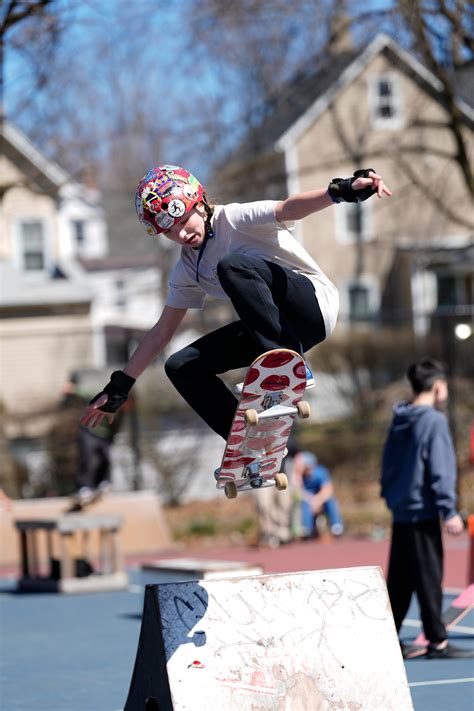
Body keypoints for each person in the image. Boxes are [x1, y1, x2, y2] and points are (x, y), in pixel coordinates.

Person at [80, 165, 391, 449]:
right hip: (279, 329)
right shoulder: (187, 269)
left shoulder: (235, 219)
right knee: (181, 366)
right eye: (171, 231)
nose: (182, 234)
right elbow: (162, 331)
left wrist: (341, 191)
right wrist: (120, 386)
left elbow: (289, 207)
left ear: (199, 204)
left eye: (184, 221)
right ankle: (247, 442)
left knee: (233, 266)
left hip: (313, 305)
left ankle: (282, 360)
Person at [381, 358, 473, 660]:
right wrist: (448, 510)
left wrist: (390, 495)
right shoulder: (433, 420)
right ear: (437, 386)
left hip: (402, 510)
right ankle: (438, 641)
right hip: (423, 512)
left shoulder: (400, 417)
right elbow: (440, 467)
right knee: (429, 577)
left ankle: (388, 638)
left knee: (400, 580)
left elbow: (388, 463)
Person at [65, 373, 123, 506]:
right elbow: (88, 393)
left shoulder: (124, 412)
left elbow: (116, 428)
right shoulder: (110, 398)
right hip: (89, 430)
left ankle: (103, 483)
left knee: (106, 457)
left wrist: (111, 439)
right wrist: (74, 389)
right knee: (87, 456)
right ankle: (83, 488)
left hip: (104, 435)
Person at [292, 451, 344, 538]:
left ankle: (336, 526)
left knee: (330, 500)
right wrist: (297, 476)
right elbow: (297, 492)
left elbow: (328, 490)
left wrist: (317, 500)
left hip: (320, 499)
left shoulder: (321, 472)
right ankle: (307, 530)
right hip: (308, 500)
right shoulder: (299, 476)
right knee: (304, 504)